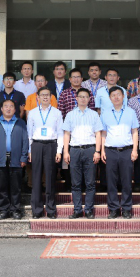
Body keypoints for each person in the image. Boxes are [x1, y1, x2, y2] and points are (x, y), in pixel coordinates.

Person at [62, 88, 102, 219]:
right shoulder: (70, 115)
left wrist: (97, 151)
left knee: (90, 182)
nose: (83, 99)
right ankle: (77, 210)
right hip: (74, 150)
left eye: (86, 97)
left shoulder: (94, 114)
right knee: (75, 183)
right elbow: (66, 134)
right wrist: (66, 152)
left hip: (90, 149)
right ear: (77, 98)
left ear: (89, 99)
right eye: (81, 96)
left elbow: (98, 134)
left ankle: (89, 210)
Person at [101, 86, 139, 219]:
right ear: (110, 98)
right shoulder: (105, 113)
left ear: (123, 97)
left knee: (127, 180)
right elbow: (103, 133)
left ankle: (126, 208)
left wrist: (135, 150)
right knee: (111, 181)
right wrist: (102, 150)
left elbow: (135, 131)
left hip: (126, 150)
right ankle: (113, 209)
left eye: (118, 95)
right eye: (113, 95)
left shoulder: (130, 112)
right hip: (110, 150)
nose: (116, 97)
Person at [0, 99, 28, 220]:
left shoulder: (21, 123)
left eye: (11, 106)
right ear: (1, 109)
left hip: (16, 159)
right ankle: (3, 210)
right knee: (2, 186)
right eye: (6, 106)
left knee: (16, 187)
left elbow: (25, 141)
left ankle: (15, 210)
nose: (8, 108)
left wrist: (23, 157)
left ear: (15, 110)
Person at [27, 87, 63, 219]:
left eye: (47, 95)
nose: (45, 97)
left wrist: (59, 151)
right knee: (36, 177)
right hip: (36, 145)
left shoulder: (57, 113)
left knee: (50, 177)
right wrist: (29, 150)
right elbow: (29, 133)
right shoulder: (32, 113)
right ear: (38, 97)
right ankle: (36, 210)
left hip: (51, 145)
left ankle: (51, 209)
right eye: (42, 95)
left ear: (51, 97)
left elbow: (60, 133)